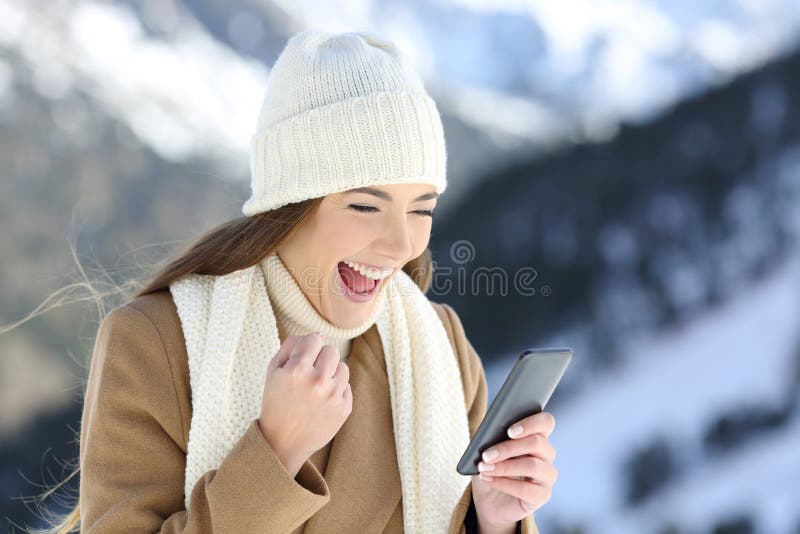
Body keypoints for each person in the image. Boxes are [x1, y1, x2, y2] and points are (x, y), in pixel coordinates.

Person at [67, 29, 558, 533]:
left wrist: (491, 521)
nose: (400, 245)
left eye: (422, 209)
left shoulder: (441, 348)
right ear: (289, 207)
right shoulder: (155, 343)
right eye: (366, 206)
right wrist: (274, 454)